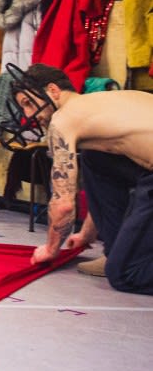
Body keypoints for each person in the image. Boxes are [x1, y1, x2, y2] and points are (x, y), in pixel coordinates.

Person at [19, 63, 153, 293]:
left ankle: (126, 260)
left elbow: (63, 205)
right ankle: (117, 250)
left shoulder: (62, 121)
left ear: (53, 90)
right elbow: (106, 184)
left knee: (124, 274)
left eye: (29, 103)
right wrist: (86, 234)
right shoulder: (100, 104)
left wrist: (51, 249)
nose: (28, 115)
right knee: (95, 159)